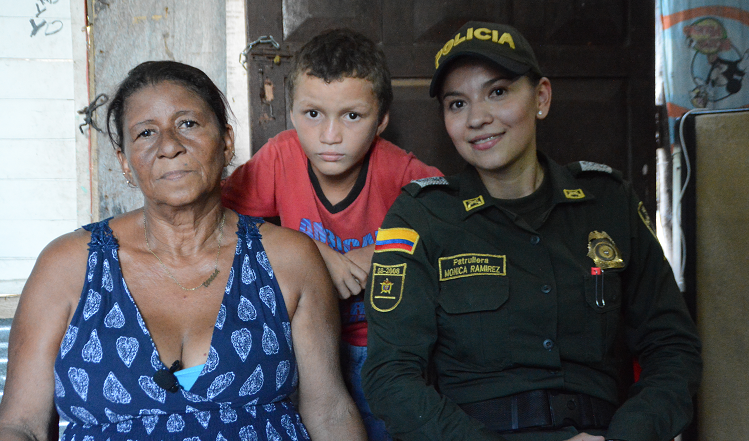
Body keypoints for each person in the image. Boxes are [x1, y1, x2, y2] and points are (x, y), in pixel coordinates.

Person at [362, 22, 702, 441]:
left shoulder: (609, 202)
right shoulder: (422, 216)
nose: (477, 118)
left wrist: (629, 436)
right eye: (457, 104)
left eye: (498, 92)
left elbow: (673, 348)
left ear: (541, 97)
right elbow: (390, 376)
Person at [0, 61, 366, 440]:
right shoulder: (68, 266)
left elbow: (330, 412)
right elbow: (19, 425)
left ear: (226, 142)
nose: (169, 146)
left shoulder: (288, 259)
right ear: (124, 161)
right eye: (145, 133)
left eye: (188, 124)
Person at [222, 28, 442, 440]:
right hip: (301, 349)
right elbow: (220, 221)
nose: (330, 136)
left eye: (352, 116)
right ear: (291, 113)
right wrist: (311, 252)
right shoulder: (280, 157)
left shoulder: (399, 169)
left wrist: (381, 253)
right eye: (313, 114)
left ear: (382, 120)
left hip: (384, 349)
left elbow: (455, 224)